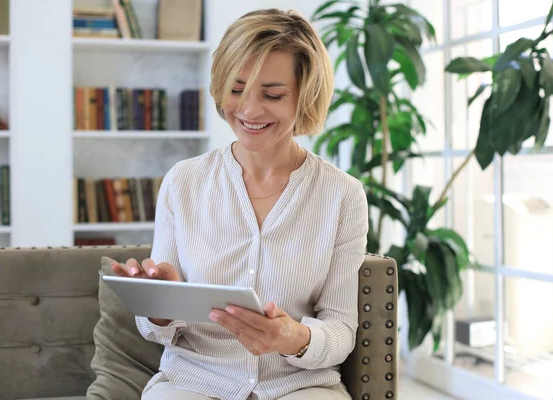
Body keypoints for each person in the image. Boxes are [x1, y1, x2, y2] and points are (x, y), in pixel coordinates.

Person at [111, 8, 368, 400]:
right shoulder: (184, 182)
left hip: (299, 385)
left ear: (305, 95)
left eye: (273, 94)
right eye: (236, 90)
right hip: (194, 380)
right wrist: (159, 304)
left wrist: (292, 337)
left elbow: (341, 330)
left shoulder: (342, 195)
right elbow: (156, 329)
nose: (249, 110)